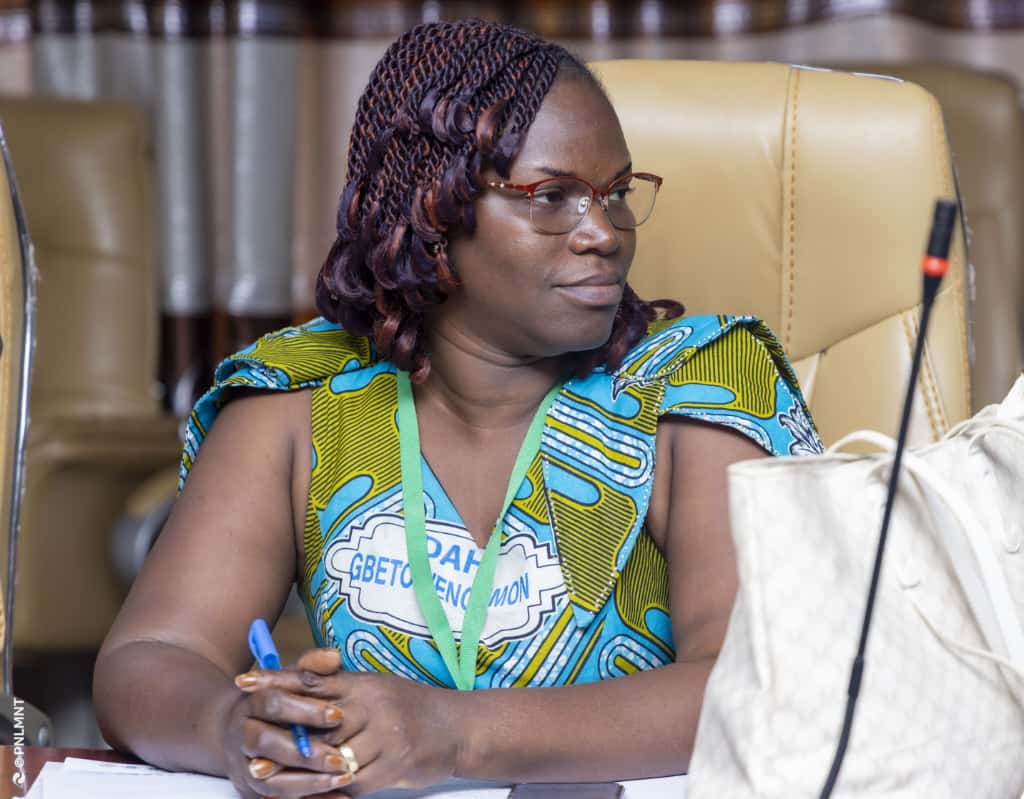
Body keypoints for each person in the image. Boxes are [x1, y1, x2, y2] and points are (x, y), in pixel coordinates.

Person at [94, 18, 822, 799]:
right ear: (432, 213)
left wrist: (455, 732)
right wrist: (235, 729)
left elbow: (760, 686)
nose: (604, 233)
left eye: (616, 194)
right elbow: (148, 656)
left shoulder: (698, 388)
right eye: (553, 197)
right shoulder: (298, 400)